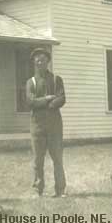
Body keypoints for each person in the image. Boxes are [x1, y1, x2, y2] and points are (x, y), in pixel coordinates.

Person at [26, 48, 67, 198]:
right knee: (38, 159)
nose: (39, 62)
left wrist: (46, 104)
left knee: (57, 157)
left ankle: (60, 190)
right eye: (37, 60)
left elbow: (61, 99)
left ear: (48, 62)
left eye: (43, 59)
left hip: (54, 125)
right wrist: (48, 98)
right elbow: (30, 102)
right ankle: (38, 189)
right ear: (34, 63)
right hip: (37, 126)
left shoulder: (57, 79)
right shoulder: (31, 82)